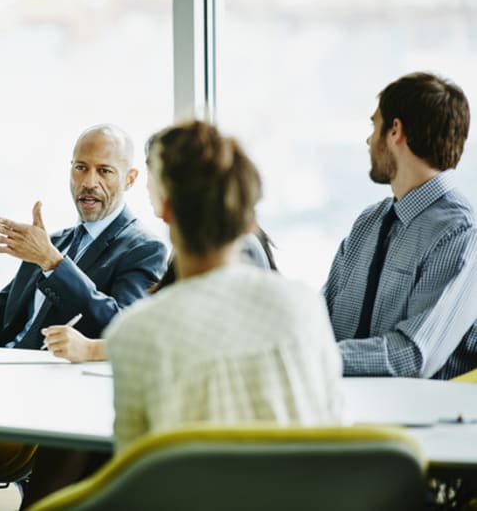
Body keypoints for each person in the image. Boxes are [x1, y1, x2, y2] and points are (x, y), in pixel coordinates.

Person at [104, 120, 343, 452]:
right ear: (247, 213)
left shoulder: (136, 334)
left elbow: (134, 470)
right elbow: (335, 430)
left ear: (166, 210)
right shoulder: (304, 305)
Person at [0, 123, 168, 349]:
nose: (89, 182)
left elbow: (122, 332)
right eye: (81, 167)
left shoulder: (143, 248)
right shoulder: (52, 242)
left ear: (130, 179)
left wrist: (52, 262)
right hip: (3, 369)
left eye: (105, 171)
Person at [42, 133, 278, 362]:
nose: (147, 185)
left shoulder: (237, 249)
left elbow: (192, 341)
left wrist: (91, 350)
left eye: (153, 173)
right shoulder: (194, 248)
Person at [323, 72, 477, 379]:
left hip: (421, 421)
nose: (369, 140)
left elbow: (413, 355)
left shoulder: (462, 234)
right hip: (346, 411)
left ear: (395, 132)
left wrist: (313, 359)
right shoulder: (368, 224)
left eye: (374, 125)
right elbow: (321, 319)